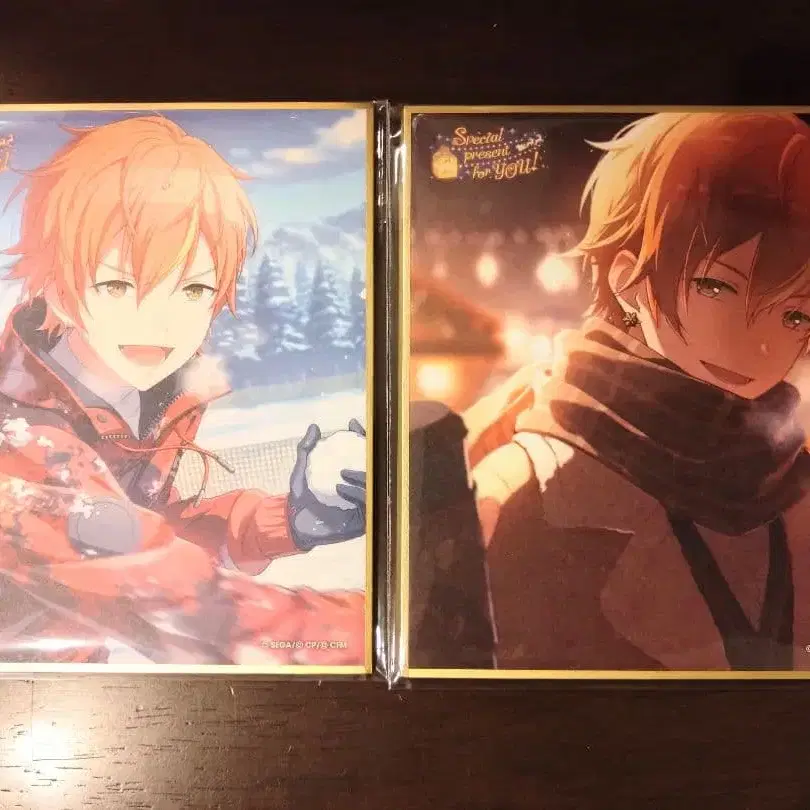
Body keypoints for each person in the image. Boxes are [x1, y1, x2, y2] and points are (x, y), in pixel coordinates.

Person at [0, 115, 366, 664]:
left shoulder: (127, 399)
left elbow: (152, 536)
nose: (161, 321)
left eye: (194, 289)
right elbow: (179, 604)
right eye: (117, 284)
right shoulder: (22, 440)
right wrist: (374, 631)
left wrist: (285, 522)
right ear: (54, 283)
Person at [463, 111, 810, 671]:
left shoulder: (791, 485)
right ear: (628, 279)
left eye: (795, 315)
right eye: (717, 287)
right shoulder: (524, 486)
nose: (758, 343)